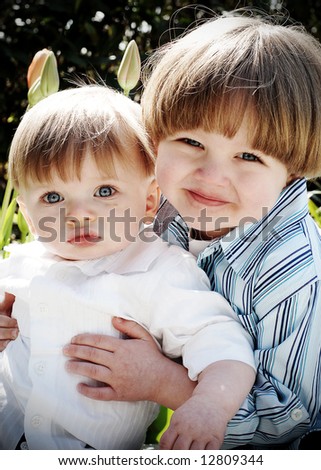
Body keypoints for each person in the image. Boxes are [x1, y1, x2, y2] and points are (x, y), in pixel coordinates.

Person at [60, 11, 321, 450]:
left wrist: (164, 382)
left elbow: (290, 417)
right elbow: (83, 262)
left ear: (292, 170)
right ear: (157, 135)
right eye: (192, 143)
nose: (211, 176)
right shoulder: (161, 208)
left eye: (250, 157)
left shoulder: (294, 272)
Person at [0, 84, 256, 450]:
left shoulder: (159, 272)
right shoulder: (19, 265)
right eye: (52, 197)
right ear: (26, 211)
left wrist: (209, 405)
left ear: (150, 199)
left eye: (104, 191)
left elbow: (223, 346)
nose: (77, 215)